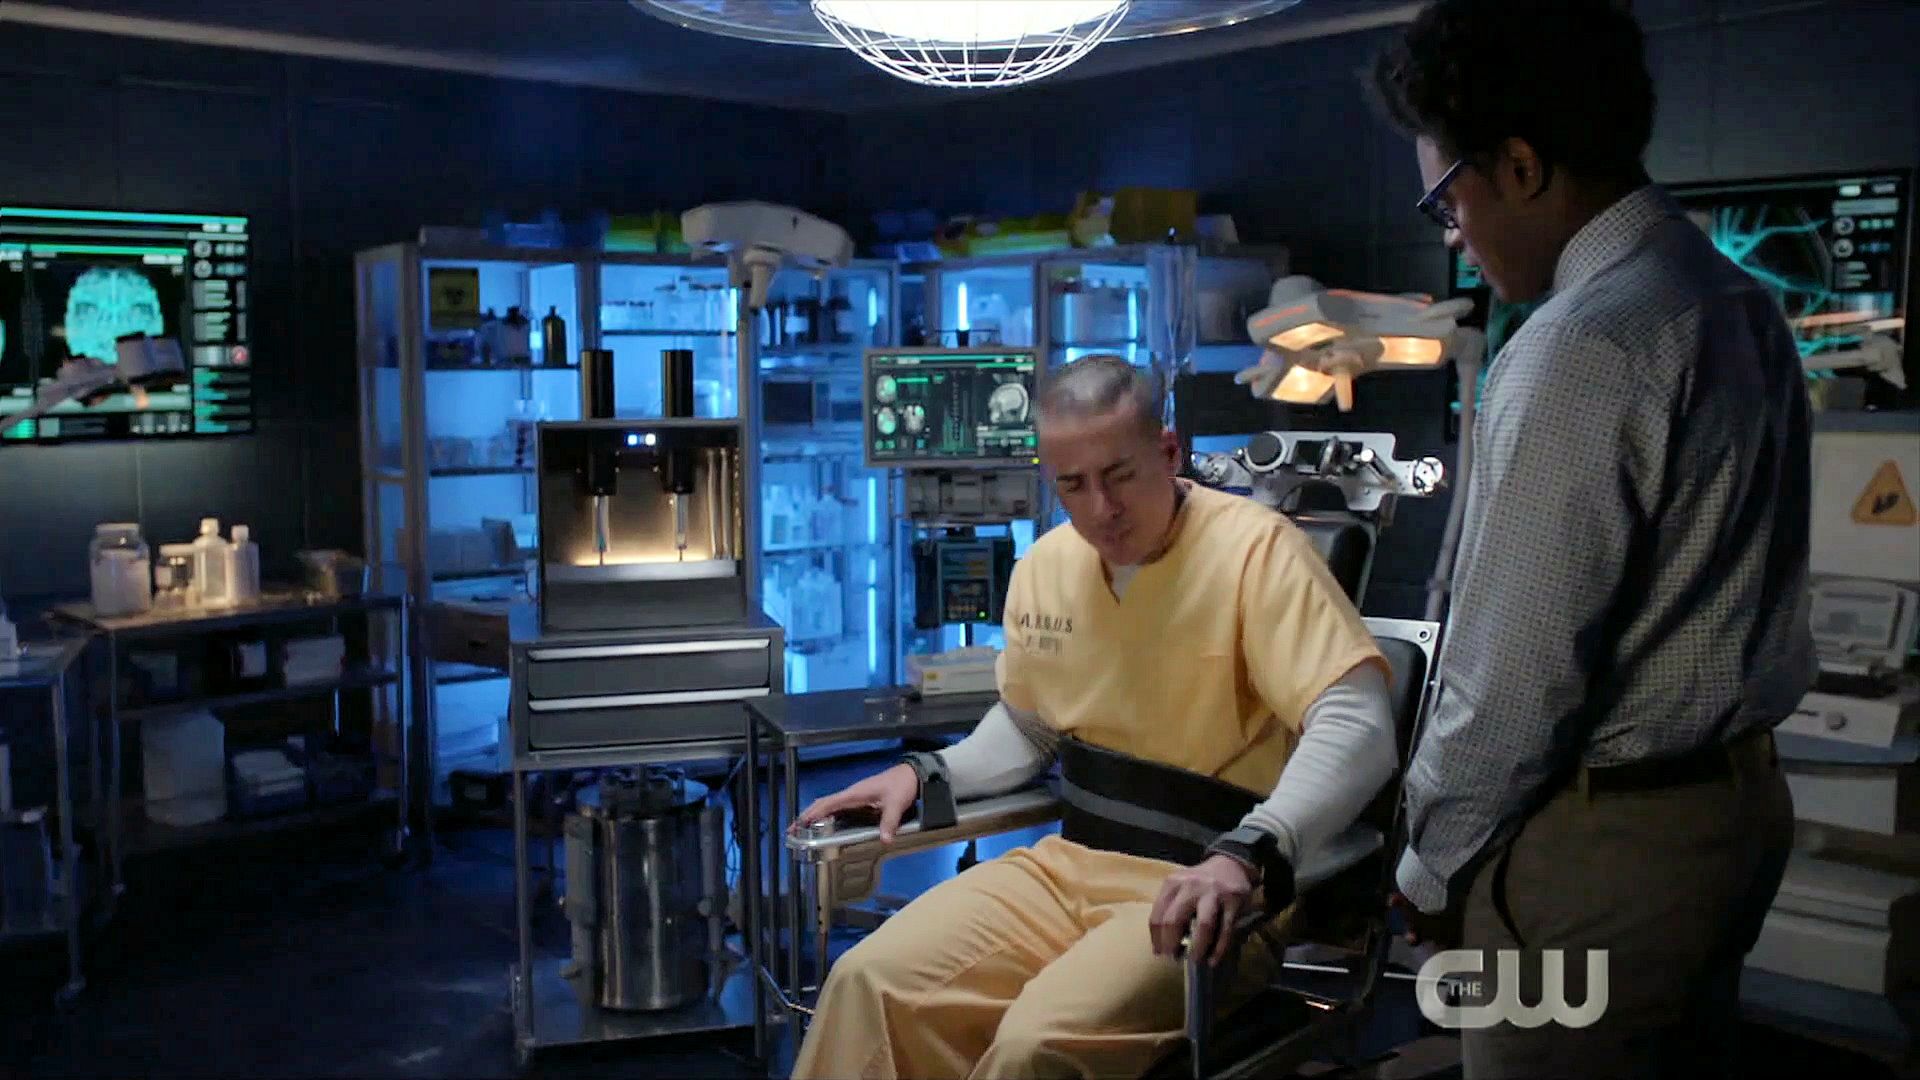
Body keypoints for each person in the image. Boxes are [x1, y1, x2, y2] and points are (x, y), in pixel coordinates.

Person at [1370, 1, 1812, 1076]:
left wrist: (1425, 870)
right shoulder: (1733, 300)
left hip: (1604, 848)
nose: (1452, 233)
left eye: (1448, 197)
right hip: (1730, 814)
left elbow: (1514, 680)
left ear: (1520, 166)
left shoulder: (1582, 342)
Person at [787, 355, 1398, 1079]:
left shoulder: (1256, 553)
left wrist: (1249, 853)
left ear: (1168, 452)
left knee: (1036, 1044)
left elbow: (1359, 725)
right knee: (868, 981)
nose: (1101, 509)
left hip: (1206, 890)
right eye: (1072, 485)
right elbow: (1030, 725)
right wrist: (925, 773)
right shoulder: (1047, 567)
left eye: (1120, 475)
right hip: (1068, 868)